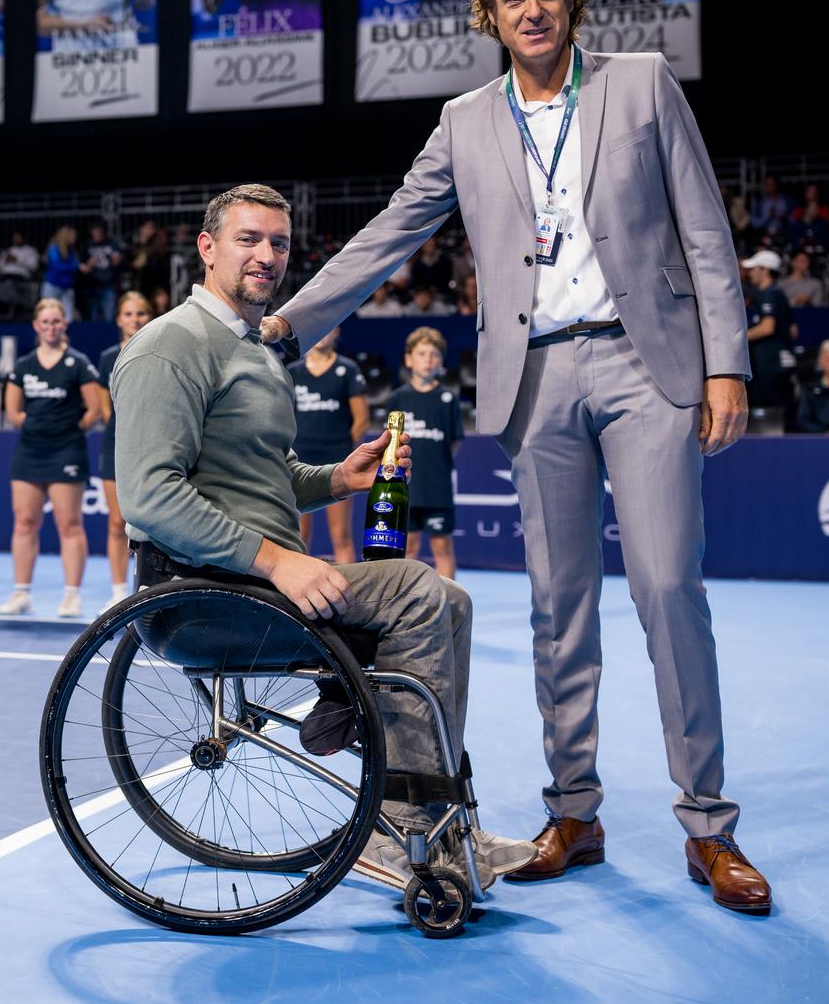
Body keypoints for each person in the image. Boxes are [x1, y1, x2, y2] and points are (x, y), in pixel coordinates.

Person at [260, 0, 771, 912]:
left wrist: (728, 364)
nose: (531, 10)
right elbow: (390, 232)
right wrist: (287, 319)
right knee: (557, 607)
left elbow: (707, 231)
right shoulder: (464, 121)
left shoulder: (641, 83)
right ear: (490, 16)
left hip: (643, 361)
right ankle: (573, 810)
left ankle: (709, 824)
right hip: (533, 378)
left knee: (669, 588)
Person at [114, 184, 533, 892]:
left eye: (278, 243)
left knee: (450, 600)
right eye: (248, 239)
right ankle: (396, 825)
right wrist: (280, 562)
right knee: (411, 586)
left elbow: (263, 476)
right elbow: (151, 496)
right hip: (197, 598)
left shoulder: (250, 349)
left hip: (248, 584)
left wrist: (340, 477)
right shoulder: (170, 345)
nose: (267, 255)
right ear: (207, 249)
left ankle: (435, 822)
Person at [1, 298, 107, 617]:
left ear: (64, 325)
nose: (50, 327)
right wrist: (31, 425)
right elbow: (12, 411)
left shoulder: (78, 363)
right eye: (45, 322)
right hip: (30, 452)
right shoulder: (23, 366)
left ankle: (72, 595)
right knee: (24, 523)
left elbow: (96, 411)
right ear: (36, 326)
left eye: (56, 322)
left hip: (66, 451)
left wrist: (73, 428)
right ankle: (21, 593)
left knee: (69, 523)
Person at [386, 328, 466, 579]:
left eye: (434, 354)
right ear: (409, 359)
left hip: (438, 488)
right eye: (421, 353)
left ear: (441, 361)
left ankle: (451, 605)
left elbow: (454, 442)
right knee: (408, 547)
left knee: (442, 546)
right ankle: (410, 602)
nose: (428, 359)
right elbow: (390, 443)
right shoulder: (397, 398)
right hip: (406, 487)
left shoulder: (448, 398)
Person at [288, 326, 368, 563]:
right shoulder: (292, 372)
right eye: (318, 328)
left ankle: (353, 597)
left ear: (337, 333)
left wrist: (343, 449)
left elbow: (362, 420)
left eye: (328, 328)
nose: (322, 333)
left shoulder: (348, 370)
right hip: (298, 464)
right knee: (298, 536)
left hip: (338, 462)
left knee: (341, 535)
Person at [95, 291, 153, 612]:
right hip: (116, 446)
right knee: (117, 522)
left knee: (149, 524)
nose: (135, 320)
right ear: (119, 319)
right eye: (129, 314)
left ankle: (144, 587)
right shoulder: (106, 358)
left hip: (151, 447)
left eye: (141, 313)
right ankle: (118, 590)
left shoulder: (158, 351)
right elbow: (107, 411)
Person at [741, 249, 795, 411]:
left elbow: (767, 327)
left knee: (776, 410)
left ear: (765, 270)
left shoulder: (772, 293)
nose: (750, 273)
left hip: (772, 366)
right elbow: (793, 330)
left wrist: (739, 338)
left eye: (753, 269)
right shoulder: (769, 294)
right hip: (768, 364)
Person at [41, 227, 80, 321]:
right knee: (48, 315)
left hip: (67, 288)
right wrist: (76, 266)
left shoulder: (71, 251)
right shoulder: (54, 249)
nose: (75, 238)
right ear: (66, 237)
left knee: (68, 317)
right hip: (52, 286)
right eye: (73, 236)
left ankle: (65, 336)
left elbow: (74, 264)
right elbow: (57, 266)